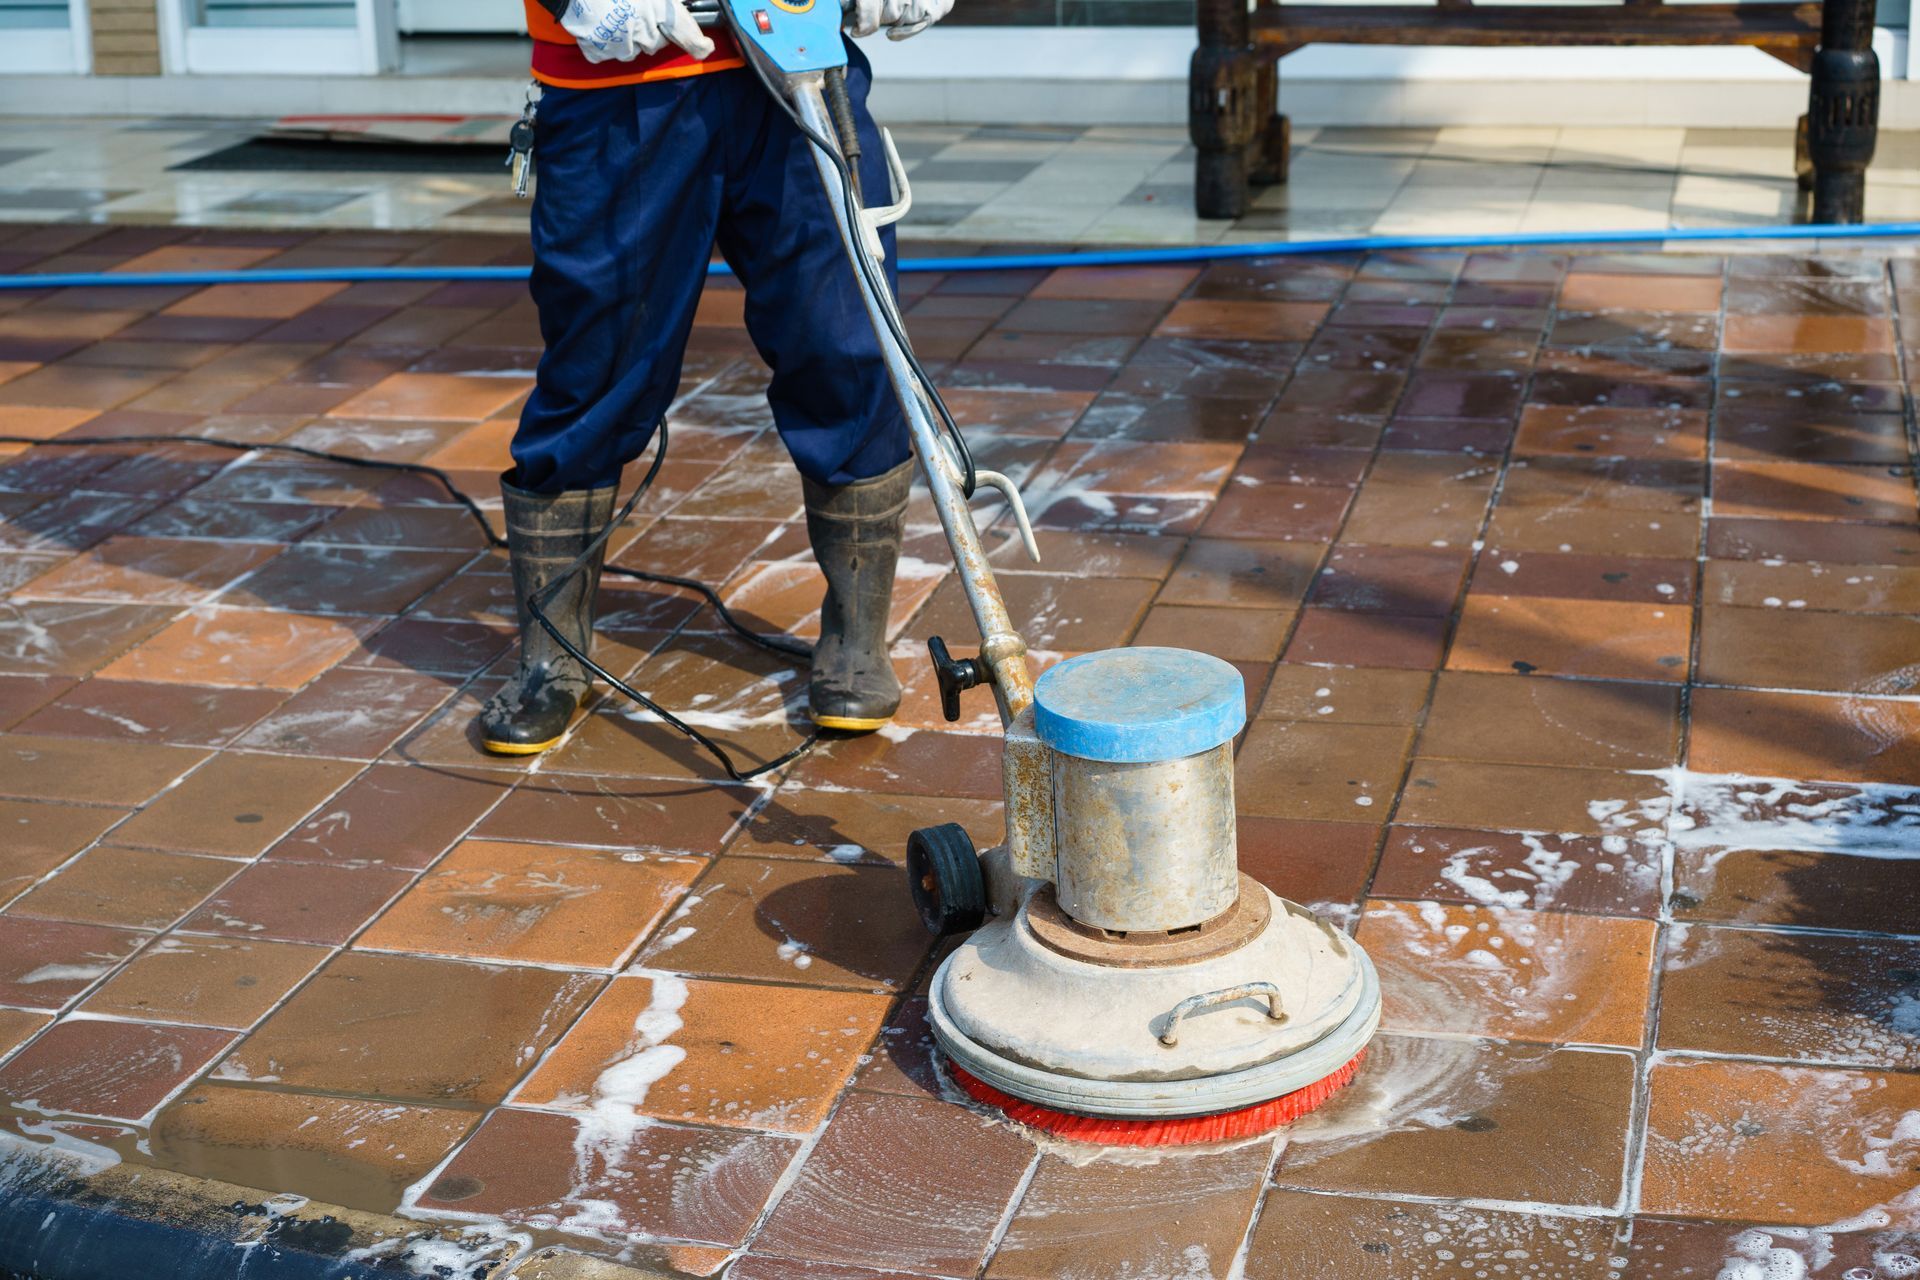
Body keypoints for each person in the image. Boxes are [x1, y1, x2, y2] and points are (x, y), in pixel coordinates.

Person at [479, 0, 952, 755]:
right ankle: (552, 658)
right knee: (594, 369)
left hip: (798, 63)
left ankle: (856, 644)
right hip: (623, 87)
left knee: (849, 342)